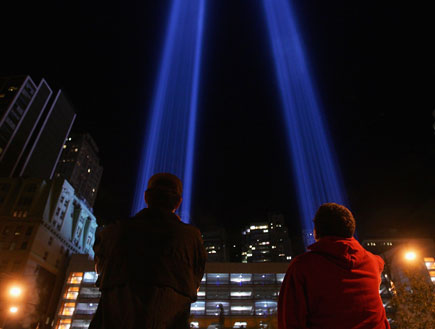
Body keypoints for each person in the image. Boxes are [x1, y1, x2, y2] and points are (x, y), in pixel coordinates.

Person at [89, 173, 206, 329]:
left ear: (146, 197)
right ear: (178, 202)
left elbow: (100, 269)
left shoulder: (113, 233)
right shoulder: (192, 238)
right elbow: (196, 278)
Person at [278, 203, 390, 329]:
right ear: (351, 229)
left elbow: (290, 320)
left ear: (316, 232)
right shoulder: (373, 262)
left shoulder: (302, 267)